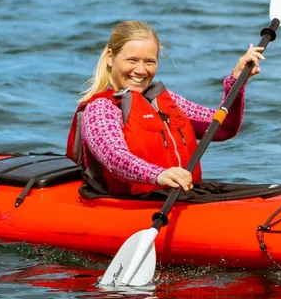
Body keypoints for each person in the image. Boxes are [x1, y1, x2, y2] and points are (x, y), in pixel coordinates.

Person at [65, 20, 265, 197]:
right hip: (131, 202)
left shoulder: (165, 101)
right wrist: (158, 175)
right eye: (132, 60)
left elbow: (223, 127)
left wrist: (236, 84)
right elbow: (114, 157)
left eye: (149, 62)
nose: (141, 70)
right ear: (110, 57)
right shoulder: (101, 109)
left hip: (179, 195)